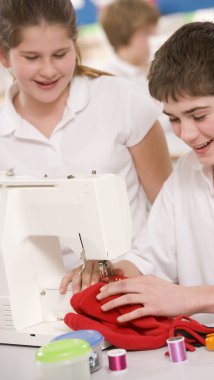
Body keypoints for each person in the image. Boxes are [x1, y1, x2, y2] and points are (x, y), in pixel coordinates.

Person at [63, 21, 214, 320]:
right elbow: (149, 258)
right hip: (205, 353)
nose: (186, 134)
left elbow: (179, 296)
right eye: (174, 119)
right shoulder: (187, 173)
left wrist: (187, 298)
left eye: (198, 115)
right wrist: (108, 272)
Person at [0, 0, 172, 277]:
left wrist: (132, 267)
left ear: (75, 46)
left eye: (60, 54)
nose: (48, 70)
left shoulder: (121, 100)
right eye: (32, 58)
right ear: (4, 56)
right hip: (46, 302)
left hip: (136, 282)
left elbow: (170, 214)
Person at [98, 0, 160, 90]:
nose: (155, 35)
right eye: (146, 31)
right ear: (122, 34)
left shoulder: (160, 67)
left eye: (154, 29)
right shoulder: (107, 80)